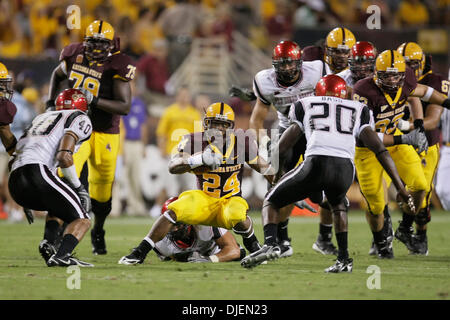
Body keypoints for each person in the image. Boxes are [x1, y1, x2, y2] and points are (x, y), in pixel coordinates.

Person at [241, 74, 415, 271]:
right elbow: (380, 149)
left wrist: (278, 178)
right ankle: (343, 259)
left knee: (271, 200)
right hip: (345, 169)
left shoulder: (305, 104)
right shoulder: (360, 109)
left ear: (318, 92)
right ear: (344, 93)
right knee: (338, 205)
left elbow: (282, 148)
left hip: (316, 162)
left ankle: (271, 244)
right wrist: (400, 187)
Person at [118, 102, 274, 265]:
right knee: (174, 210)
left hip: (230, 199)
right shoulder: (194, 141)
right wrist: (196, 160)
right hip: (205, 199)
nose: (218, 129)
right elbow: (173, 166)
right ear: (206, 124)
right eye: (214, 124)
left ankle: (253, 245)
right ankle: (139, 252)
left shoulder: (242, 142)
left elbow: (264, 167)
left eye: (223, 125)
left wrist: (281, 188)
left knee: (237, 214)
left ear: (231, 127)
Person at [47, 20, 135, 255]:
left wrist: (93, 100)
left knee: (102, 191)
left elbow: (124, 106)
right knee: (63, 175)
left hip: (105, 132)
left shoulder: (118, 63)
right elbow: (57, 75)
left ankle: (98, 229)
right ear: (85, 42)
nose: (96, 47)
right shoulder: (74, 54)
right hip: (77, 127)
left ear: (111, 44)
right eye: (92, 42)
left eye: (101, 43)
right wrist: (49, 103)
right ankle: (54, 236)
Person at [352, 49, 450, 258]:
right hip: (368, 149)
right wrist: (405, 138)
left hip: (396, 141)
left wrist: (447, 103)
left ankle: (404, 227)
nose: (392, 79)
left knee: (421, 185)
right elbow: (368, 136)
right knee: (376, 204)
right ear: (376, 73)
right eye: (386, 75)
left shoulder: (406, 82)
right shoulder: (363, 90)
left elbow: (424, 92)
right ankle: (380, 241)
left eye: (396, 75)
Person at [249, 40, 326, 258]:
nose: (286, 69)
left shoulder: (317, 71)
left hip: (315, 131)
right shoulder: (265, 81)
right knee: (278, 185)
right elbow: (255, 122)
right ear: (274, 64)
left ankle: (325, 235)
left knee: (320, 192)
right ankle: (281, 240)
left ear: (300, 62)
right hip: (287, 131)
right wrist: (266, 144)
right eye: (281, 64)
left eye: (290, 64)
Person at [8, 88, 93, 267]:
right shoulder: (79, 117)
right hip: (37, 171)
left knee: (57, 204)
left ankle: (48, 244)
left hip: (15, 179)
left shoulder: (40, 118)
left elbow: (16, 156)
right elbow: (64, 156)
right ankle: (63, 255)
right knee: (83, 219)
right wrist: (79, 188)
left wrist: (25, 199)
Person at [396, 42, 449, 255]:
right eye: (404, 64)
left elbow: (433, 120)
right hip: (398, 143)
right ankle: (390, 234)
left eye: (413, 64)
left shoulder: (435, 81)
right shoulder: (392, 77)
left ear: (423, 62)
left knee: (422, 193)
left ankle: (418, 234)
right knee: (400, 192)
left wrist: (408, 126)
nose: (409, 69)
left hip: (427, 143)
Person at [136, 197, 245, 263]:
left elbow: (235, 251)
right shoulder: (160, 244)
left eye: (178, 223)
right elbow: (168, 256)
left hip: (216, 251)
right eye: (170, 224)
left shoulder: (205, 223)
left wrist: (208, 259)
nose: (175, 229)